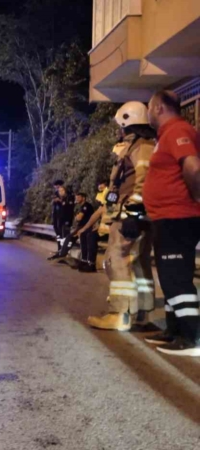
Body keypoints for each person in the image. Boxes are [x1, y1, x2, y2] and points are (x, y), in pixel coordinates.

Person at [87, 101, 156, 331]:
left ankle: (120, 314)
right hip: (135, 214)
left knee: (117, 261)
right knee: (138, 264)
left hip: (131, 215)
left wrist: (132, 214)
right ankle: (141, 314)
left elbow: (144, 180)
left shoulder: (141, 147)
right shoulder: (139, 145)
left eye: (121, 125)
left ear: (127, 123)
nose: (119, 130)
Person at [142, 90, 200, 356]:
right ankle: (174, 330)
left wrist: (195, 197)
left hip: (177, 217)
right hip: (167, 217)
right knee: (170, 275)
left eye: (149, 107)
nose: (147, 112)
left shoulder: (178, 131)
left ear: (159, 108)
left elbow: (193, 167)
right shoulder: (166, 135)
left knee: (175, 276)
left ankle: (191, 337)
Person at [48, 192, 94, 263]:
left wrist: (77, 217)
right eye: (76, 198)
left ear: (83, 198)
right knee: (69, 238)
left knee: (69, 237)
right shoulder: (82, 206)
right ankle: (62, 253)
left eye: (79, 197)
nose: (77, 199)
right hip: (81, 227)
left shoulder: (86, 206)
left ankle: (61, 254)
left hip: (85, 227)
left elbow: (79, 218)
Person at [50, 183, 75, 254]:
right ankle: (59, 250)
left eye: (62, 191)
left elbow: (68, 208)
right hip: (58, 220)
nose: (60, 192)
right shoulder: (57, 199)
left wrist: (60, 201)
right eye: (59, 191)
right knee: (59, 235)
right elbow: (55, 210)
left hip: (66, 220)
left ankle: (65, 252)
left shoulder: (69, 197)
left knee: (65, 236)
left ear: (65, 191)